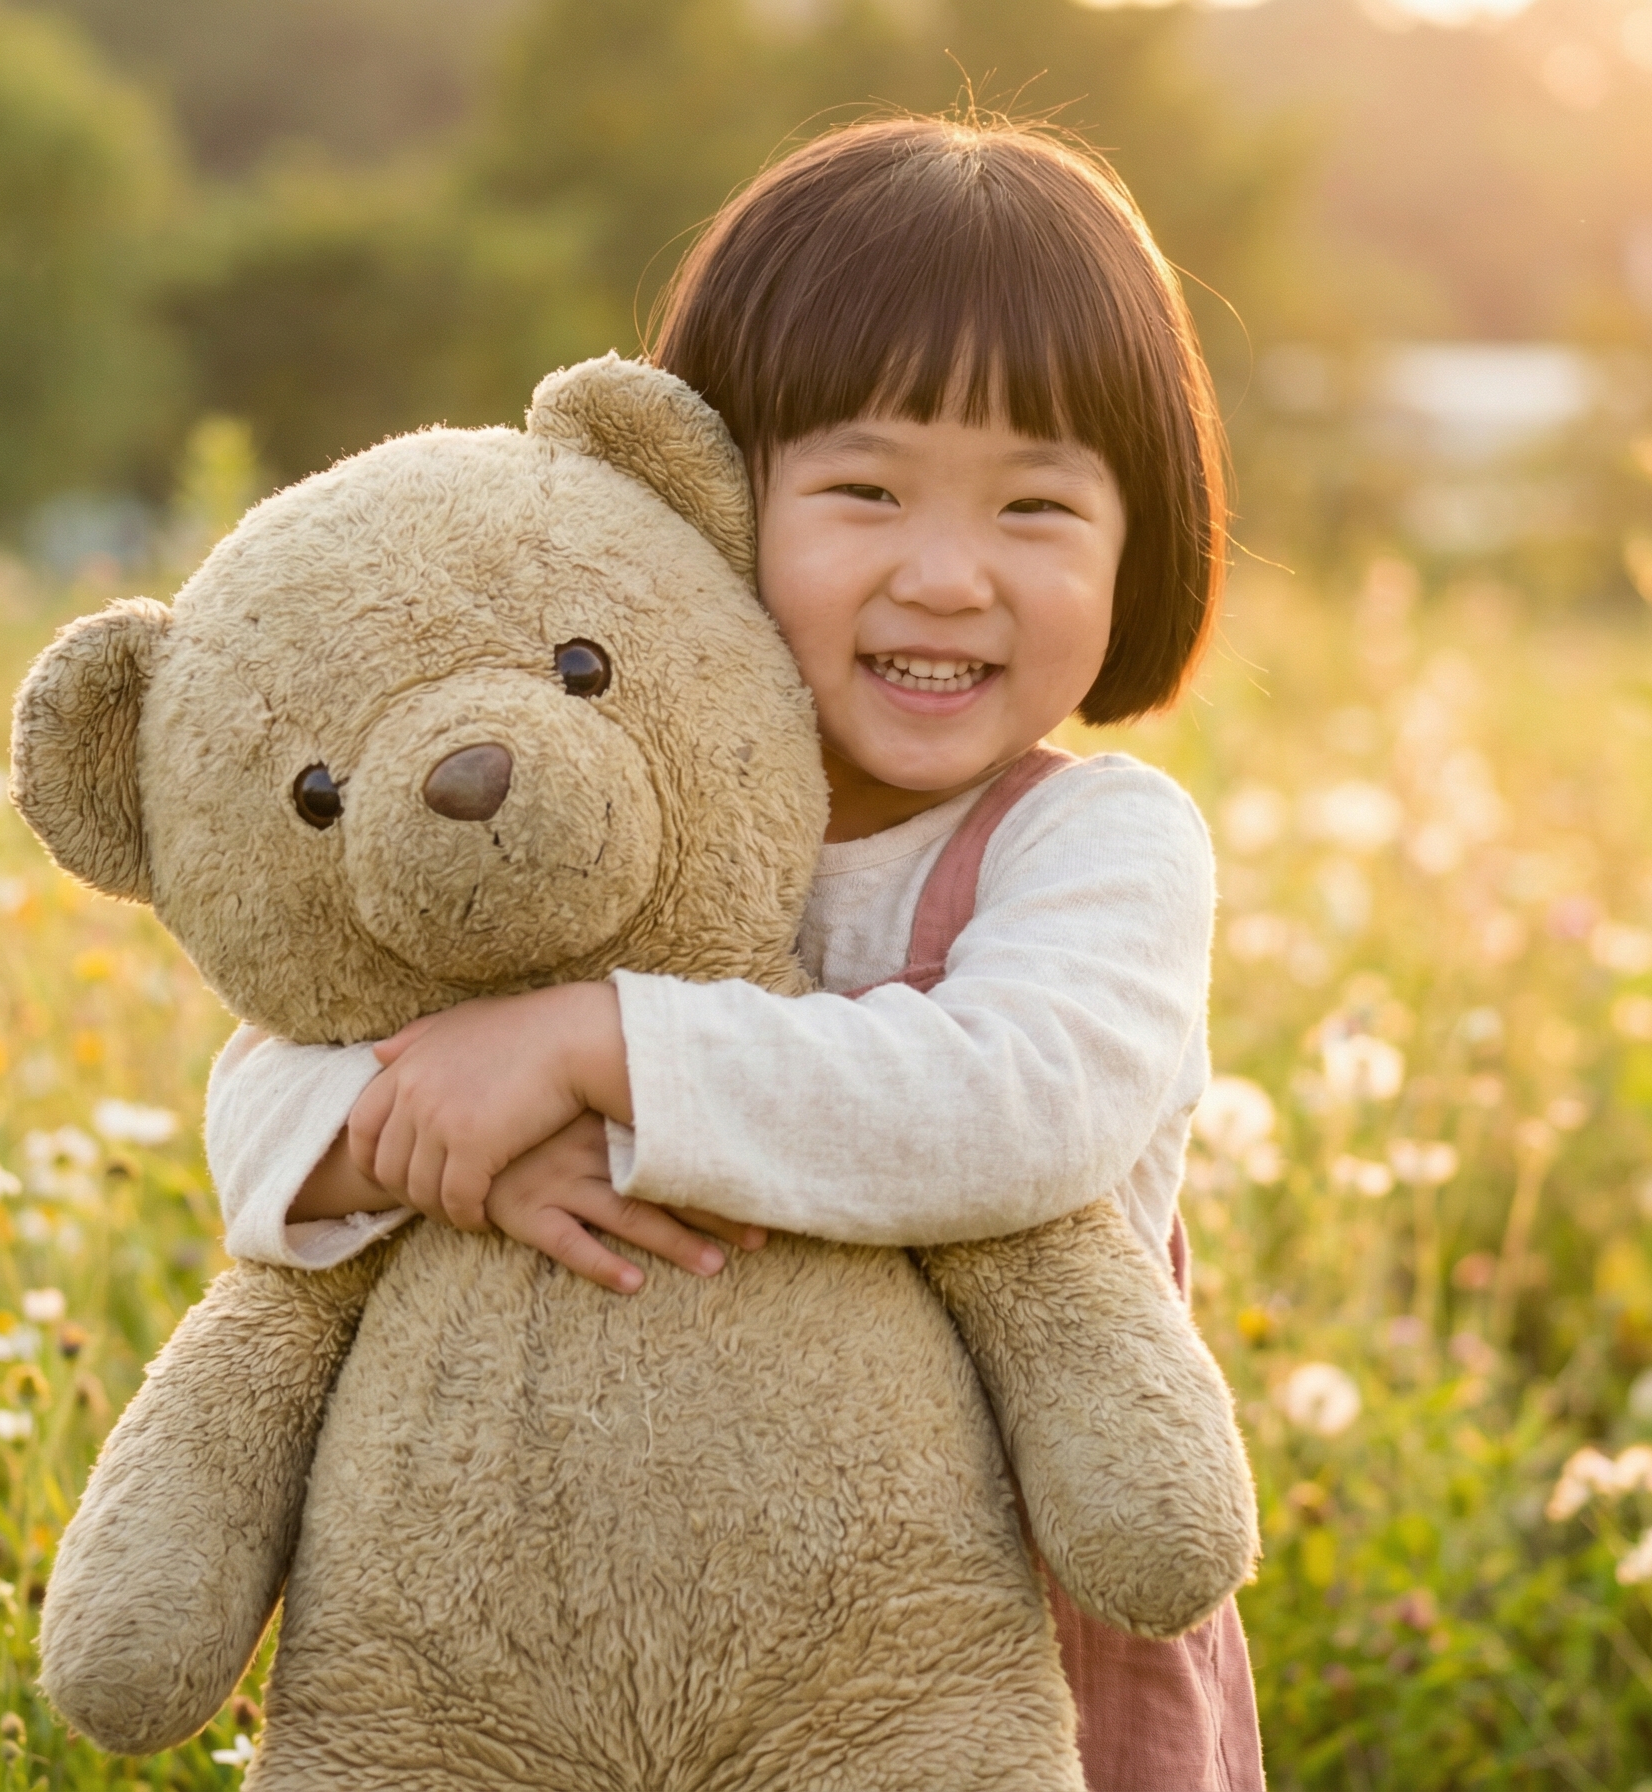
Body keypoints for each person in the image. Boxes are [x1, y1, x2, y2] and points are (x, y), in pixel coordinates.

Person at [203, 112, 1264, 1792]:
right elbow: (266, 1089)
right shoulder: (602, 820)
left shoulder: (1090, 845)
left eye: (1038, 507)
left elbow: (1011, 1111)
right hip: (564, 1656)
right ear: (696, 499)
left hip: (976, 1669)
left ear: (1144, 545)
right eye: (863, 488)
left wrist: (584, 1050)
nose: (946, 573)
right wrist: (433, 1143)